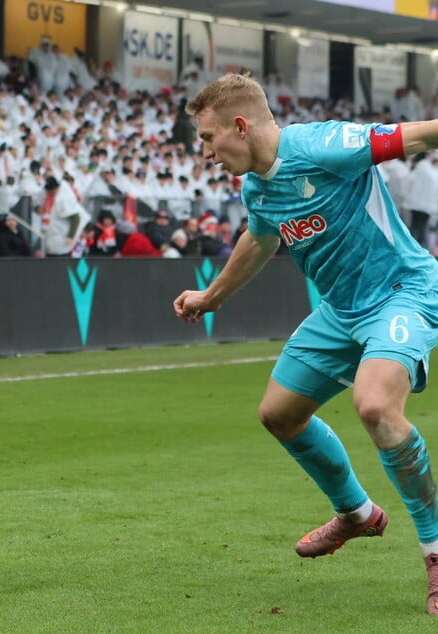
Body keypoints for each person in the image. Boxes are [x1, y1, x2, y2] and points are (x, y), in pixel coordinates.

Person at [172, 73, 438, 615]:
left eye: (207, 138)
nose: (205, 152)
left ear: (239, 126)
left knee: (375, 406)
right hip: (340, 311)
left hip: (401, 293)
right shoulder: (257, 185)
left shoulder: (324, 145)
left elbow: (419, 136)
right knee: (279, 414)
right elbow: (260, 238)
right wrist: (213, 295)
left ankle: (435, 551)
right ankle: (358, 514)